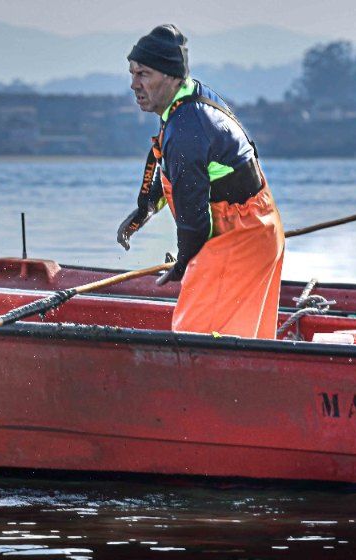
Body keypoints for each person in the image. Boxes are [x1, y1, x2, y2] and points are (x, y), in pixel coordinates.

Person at [116, 25, 285, 339]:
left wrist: (182, 266)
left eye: (143, 74)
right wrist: (145, 209)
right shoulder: (189, 98)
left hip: (238, 237)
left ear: (170, 75)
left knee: (195, 336)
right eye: (132, 73)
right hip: (260, 230)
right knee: (244, 338)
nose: (134, 84)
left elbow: (195, 224)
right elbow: (177, 174)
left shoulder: (187, 128)